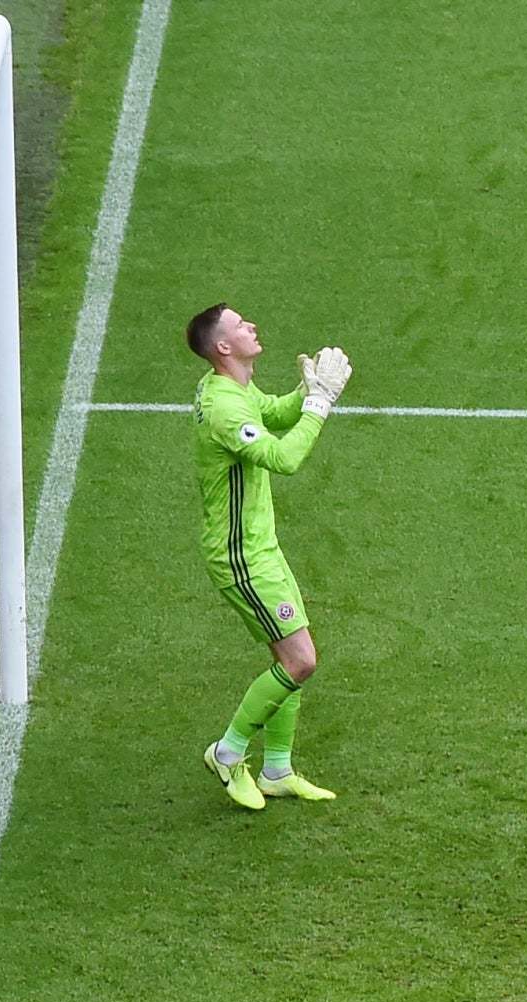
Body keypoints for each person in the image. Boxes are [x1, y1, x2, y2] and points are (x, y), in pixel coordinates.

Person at [188, 303, 352, 809]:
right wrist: (320, 406)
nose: (252, 326)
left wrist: (305, 392)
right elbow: (284, 458)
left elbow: (273, 414)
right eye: (240, 326)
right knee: (301, 661)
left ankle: (277, 770)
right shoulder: (223, 409)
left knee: (286, 656)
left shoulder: (234, 388)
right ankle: (228, 751)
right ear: (222, 347)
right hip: (241, 559)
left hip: (260, 548)